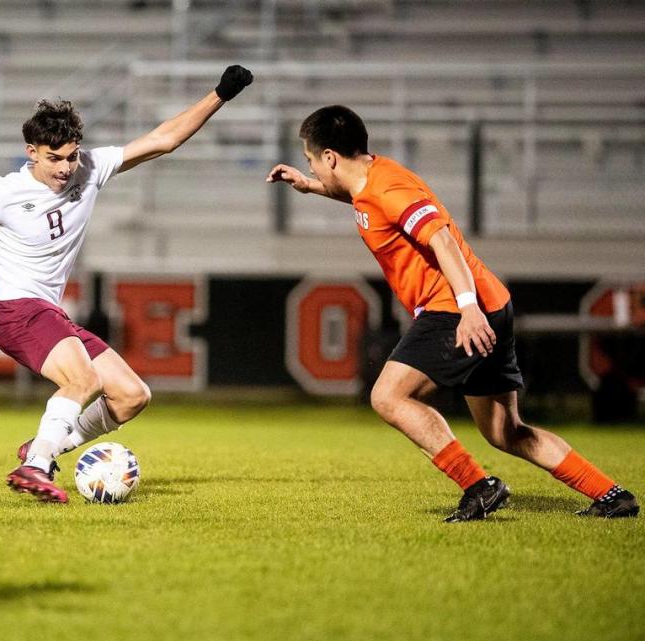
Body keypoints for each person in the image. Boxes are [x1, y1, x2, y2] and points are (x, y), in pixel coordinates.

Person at [0, 66, 254, 503]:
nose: (66, 168)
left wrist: (220, 94)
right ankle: (34, 466)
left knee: (132, 396)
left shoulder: (90, 168)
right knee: (83, 380)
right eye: (54, 158)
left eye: (72, 156)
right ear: (31, 152)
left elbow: (164, 139)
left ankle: (48, 447)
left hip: (50, 314)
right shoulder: (4, 192)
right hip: (17, 311)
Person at [267, 105, 638, 522]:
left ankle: (479, 486)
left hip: (456, 308)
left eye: (312, 160)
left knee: (388, 396)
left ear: (330, 157)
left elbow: (442, 240)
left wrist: (467, 309)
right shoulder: (370, 182)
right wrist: (312, 186)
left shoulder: (389, 189)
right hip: (488, 303)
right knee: (504, 431)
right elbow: (358, 197)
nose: (312, 166)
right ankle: (612, 495)